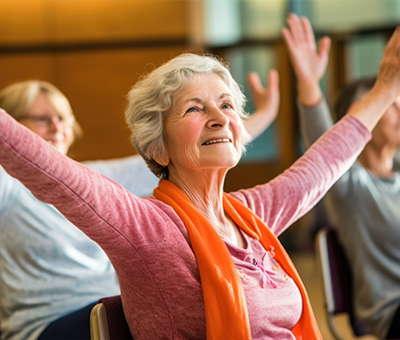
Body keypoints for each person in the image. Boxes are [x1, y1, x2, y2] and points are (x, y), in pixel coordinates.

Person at [1, 28, 400, 338]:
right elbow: (42, 164)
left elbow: (324, 162)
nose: (220, 116)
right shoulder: (146, 227)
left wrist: (385, 87)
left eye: (226, 104)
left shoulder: (249, 214)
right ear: (159, 149)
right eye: (194, 108)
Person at [0, 77, 277, 340]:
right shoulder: (8, 186)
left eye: (62, 118)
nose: (56, 126)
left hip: (108, 308)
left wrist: (266, 111)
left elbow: (190, 146)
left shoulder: (91, 177)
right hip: (47, 324)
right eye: (41, 118)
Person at [283, 13, 400, 339]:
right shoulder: (350, 186)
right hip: (392, 311)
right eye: (390, 104)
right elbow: (324, 144)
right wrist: (308, 84)